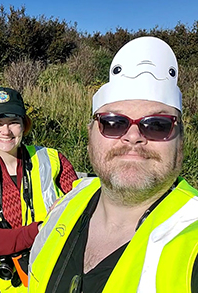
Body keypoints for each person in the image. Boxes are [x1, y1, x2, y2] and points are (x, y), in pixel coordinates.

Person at [28, 36, 198, 293]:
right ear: (90, 137)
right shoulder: (68, 203)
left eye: (157, 125)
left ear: (181, 141)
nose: (133, 136)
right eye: (113, 122)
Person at [0, 87, 78, 292]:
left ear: (24, 124)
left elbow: (80, 213)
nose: (6, 131)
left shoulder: (53, 159)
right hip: (13, 284)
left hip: (59, 275)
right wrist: (41, 229)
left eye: (13, 123)